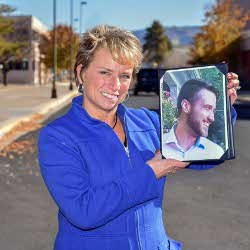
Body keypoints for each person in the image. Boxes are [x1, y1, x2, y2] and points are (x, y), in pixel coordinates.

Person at [38, 25, 240, 250]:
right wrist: (150, 172)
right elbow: (84, 212)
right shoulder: (58, 136)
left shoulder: (146, 122)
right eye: (105, 72)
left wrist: (224, 108)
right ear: (81, 73)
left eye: (124, 75)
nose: (115, 85)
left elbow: (200, 157)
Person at [162, 79, 228, 161]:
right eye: (207, 108)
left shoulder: (216, 153)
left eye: (213, 111)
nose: (212, 118)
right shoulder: (157, 147)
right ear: (186, 106)